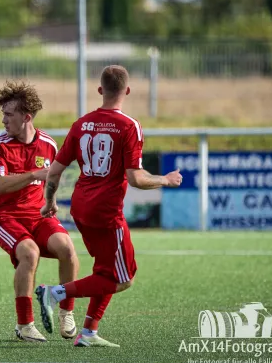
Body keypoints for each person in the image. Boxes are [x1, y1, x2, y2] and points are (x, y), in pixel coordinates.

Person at [35, 65, 182, 347]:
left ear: (100, 90)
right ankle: (55, 293)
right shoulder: (129, 126)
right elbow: (136, 178)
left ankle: (88, 333)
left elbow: (54, 172)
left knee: (106, 271)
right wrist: (165, 179)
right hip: (106, 211)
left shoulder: (81, 124)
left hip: (81, 208)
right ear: (127, 91)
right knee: (124, 278)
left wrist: (50, 202)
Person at [0, 80, 79, 342]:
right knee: (30, 252)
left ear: (26, 117)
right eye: (3, 114)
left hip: (38, 215)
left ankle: (66, 313)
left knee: (68, 250)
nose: (3, 120)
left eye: (9, 114)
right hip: (4, 218)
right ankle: (24, 324)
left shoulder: (48, 143)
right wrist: (31, 175)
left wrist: (51, 200)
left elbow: (54, 175)